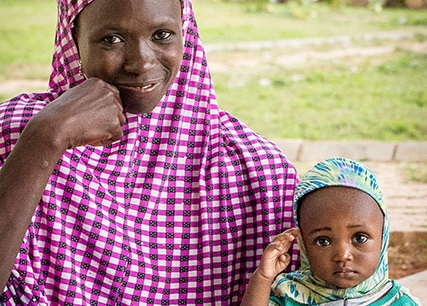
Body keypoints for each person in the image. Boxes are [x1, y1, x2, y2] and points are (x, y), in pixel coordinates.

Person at [0, 0, 300, 305]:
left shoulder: (256, 169)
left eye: (162, 35)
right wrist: (48, 136)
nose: (141, 63)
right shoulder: (23, 135)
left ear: (184, 31)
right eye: (112, 39)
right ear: (73, 39)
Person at [241, 157, 421, 305]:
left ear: (383, 237)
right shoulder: (290, 296)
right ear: (303, 245)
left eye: (360, 238)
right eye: (323, 241)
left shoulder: (401, 302)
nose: (343, 255)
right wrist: (263, 278)